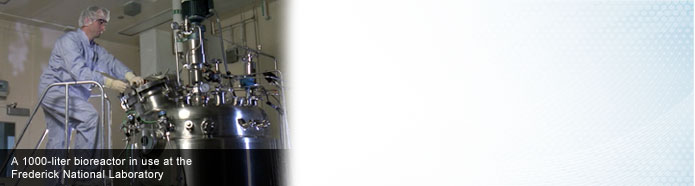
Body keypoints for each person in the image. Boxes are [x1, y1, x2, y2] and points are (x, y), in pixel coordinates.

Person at [38, 6, 144, 150]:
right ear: (87, 20)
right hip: (56, 91)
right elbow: (79, 71)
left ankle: (54, 173)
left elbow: (110, 63)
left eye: (105, 23)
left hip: (71, 94)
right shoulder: (69, 41)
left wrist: (130, 76)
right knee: (90, 118)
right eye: (101, 22)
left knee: (58, 139)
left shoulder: (94, 49)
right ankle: (85, 171)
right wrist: (109, 82)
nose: (104, 28)